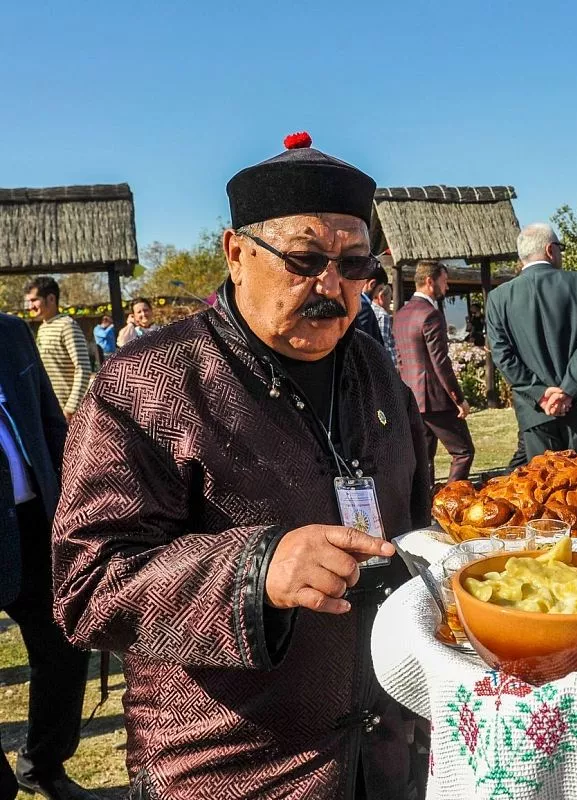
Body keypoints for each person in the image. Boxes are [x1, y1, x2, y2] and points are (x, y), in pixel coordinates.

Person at [52, 131, 430, 799]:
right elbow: (88, 585)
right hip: (230, 769)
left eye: (354, 265)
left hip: (384, 758)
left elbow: (417, 521)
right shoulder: (149, 384)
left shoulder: (374, 370)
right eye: (304, 259)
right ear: (236, 253)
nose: (331, 286)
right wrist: (256, 571)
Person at [0, 314, 97, 800]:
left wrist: (75, 503)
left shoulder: (12, 332)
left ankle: (43, 763)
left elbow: (50, 423)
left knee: (64, 644)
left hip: (38, 521)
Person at [486, 223, 577, 457]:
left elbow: (502, 355)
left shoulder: (498, 298)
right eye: (560, 248)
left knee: (543, 479)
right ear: (551, 249)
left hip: (535, 411)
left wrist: (541, 394)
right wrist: (568, 390)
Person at [395, 260, 475, 484]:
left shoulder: (400, 314)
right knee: (463, 451)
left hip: (412, 398)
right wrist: (458, 398)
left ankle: (425, 502)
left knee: (424, 459)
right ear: (430, 281)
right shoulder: (430, 314)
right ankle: (452, 497)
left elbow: (401, 361)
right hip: (435, 399)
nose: (447, 287)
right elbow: (440, 362)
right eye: (444, 281)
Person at [24, 277, 91, 422]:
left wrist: (70, 409)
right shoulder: (43, 328)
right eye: (28, 301)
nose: (30, 306)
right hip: (49, 411)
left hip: (67, 415)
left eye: (34, 300)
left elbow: (83, 368)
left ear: (51, 298)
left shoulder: (68, 326)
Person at [369, 277, 397, 366]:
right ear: (381, 297)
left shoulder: (369, 309)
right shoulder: (382, 315)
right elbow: (384, 345)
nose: (390, 301)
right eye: (389, 297)